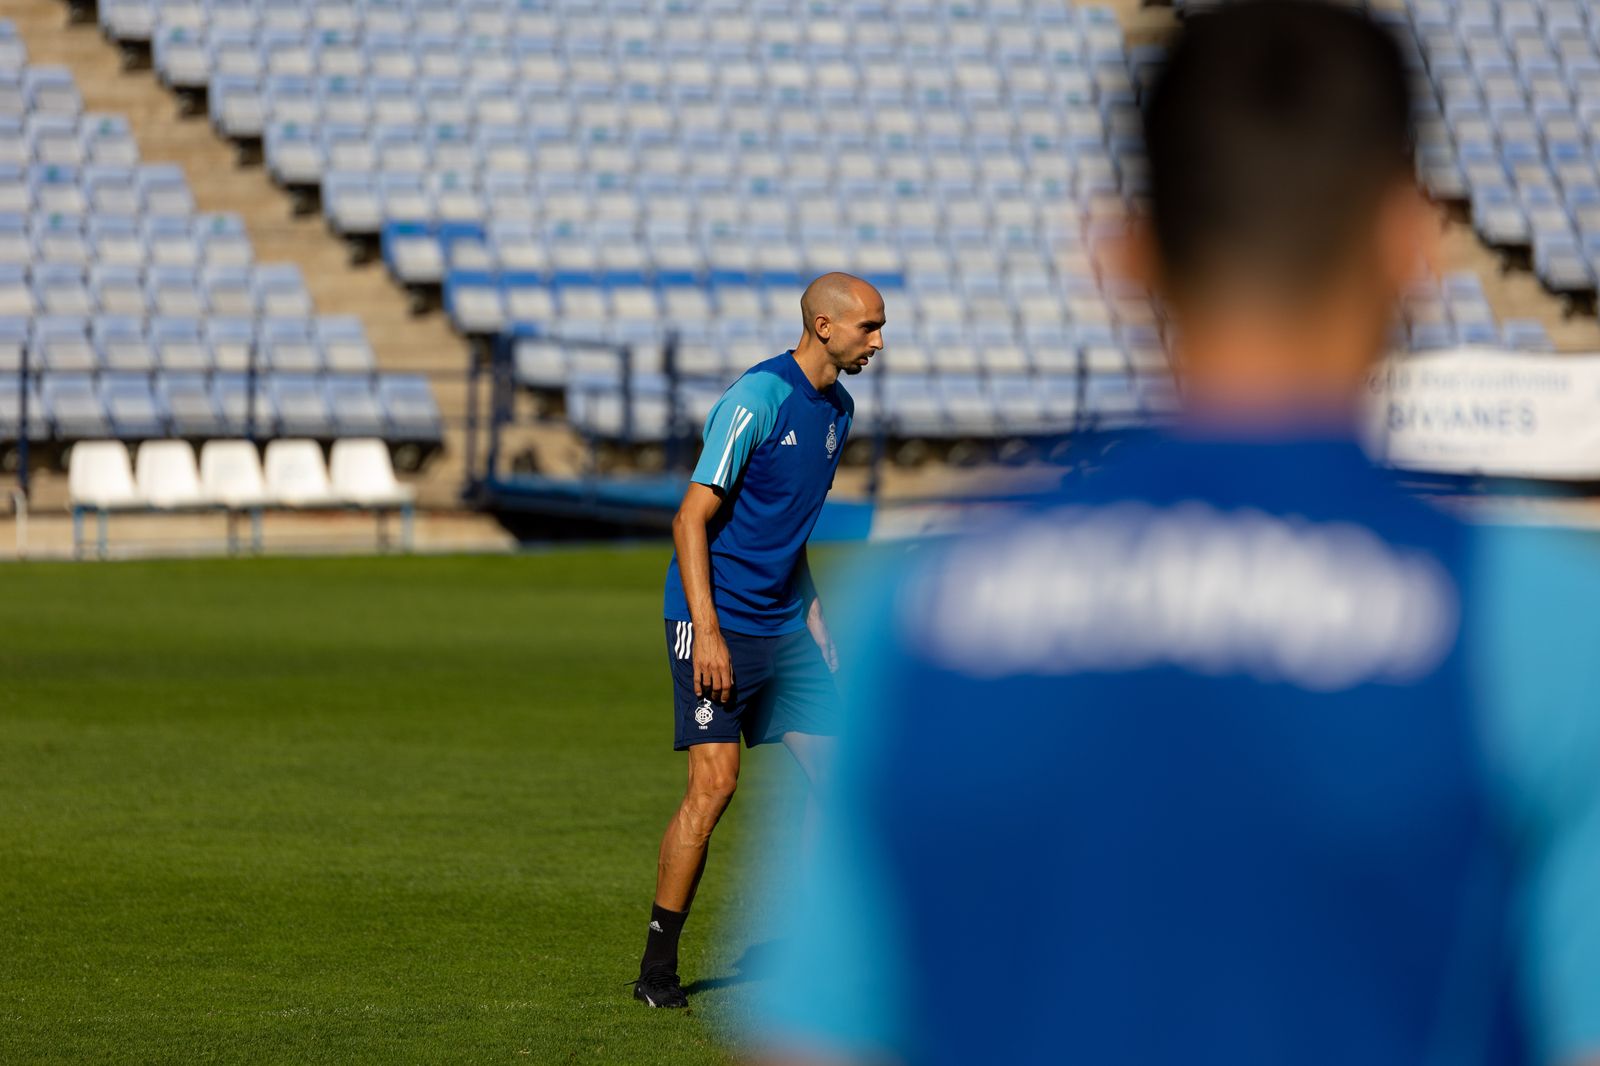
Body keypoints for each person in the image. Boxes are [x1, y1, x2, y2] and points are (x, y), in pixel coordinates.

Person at [751, 4, 1600, 1065]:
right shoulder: (1539, 625)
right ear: (1409, 245)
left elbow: (818, 1041)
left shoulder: (920, 615)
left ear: (1121, 253)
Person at [632, 272, 886, 1009]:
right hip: (713, 621)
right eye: (868, 326)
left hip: (784, 624)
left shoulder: (838, 408)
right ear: (823, 326)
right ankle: (657, 969)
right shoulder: (756, 400)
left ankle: (808, 945)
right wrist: (706, 634)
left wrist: (813, 612)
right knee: (715, 788)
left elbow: (786, 530)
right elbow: (689, 520)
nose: (879, 341)